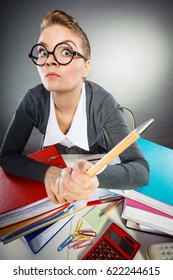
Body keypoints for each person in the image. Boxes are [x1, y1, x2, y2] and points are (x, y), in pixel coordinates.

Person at [0, 10, 149, 204]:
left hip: (93, 173)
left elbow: (141, 171)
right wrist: (48, 173)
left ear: (85, 67)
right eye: (43, 52)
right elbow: (6, 156)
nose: (50, 60)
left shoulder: (104, 104)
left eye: (66, 52)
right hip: (49, 171)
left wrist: (94, 177)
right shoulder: (33, 100)